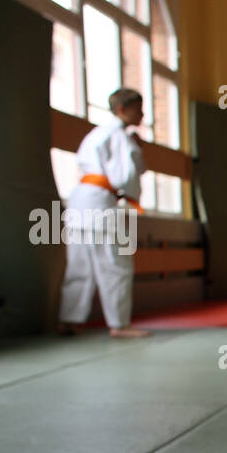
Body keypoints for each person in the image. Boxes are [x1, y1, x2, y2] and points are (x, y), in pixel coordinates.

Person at [57, 88, 149, 339]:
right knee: (116, 264)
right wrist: (137, 149)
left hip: (79, 201)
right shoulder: (119, 136)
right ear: (122, 110)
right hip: (100, 203)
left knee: (80, 266)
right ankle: (120, 325)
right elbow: (127, 174)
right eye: (138, 110)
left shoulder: (97, 133)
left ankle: (68, 320)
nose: (142, 115)